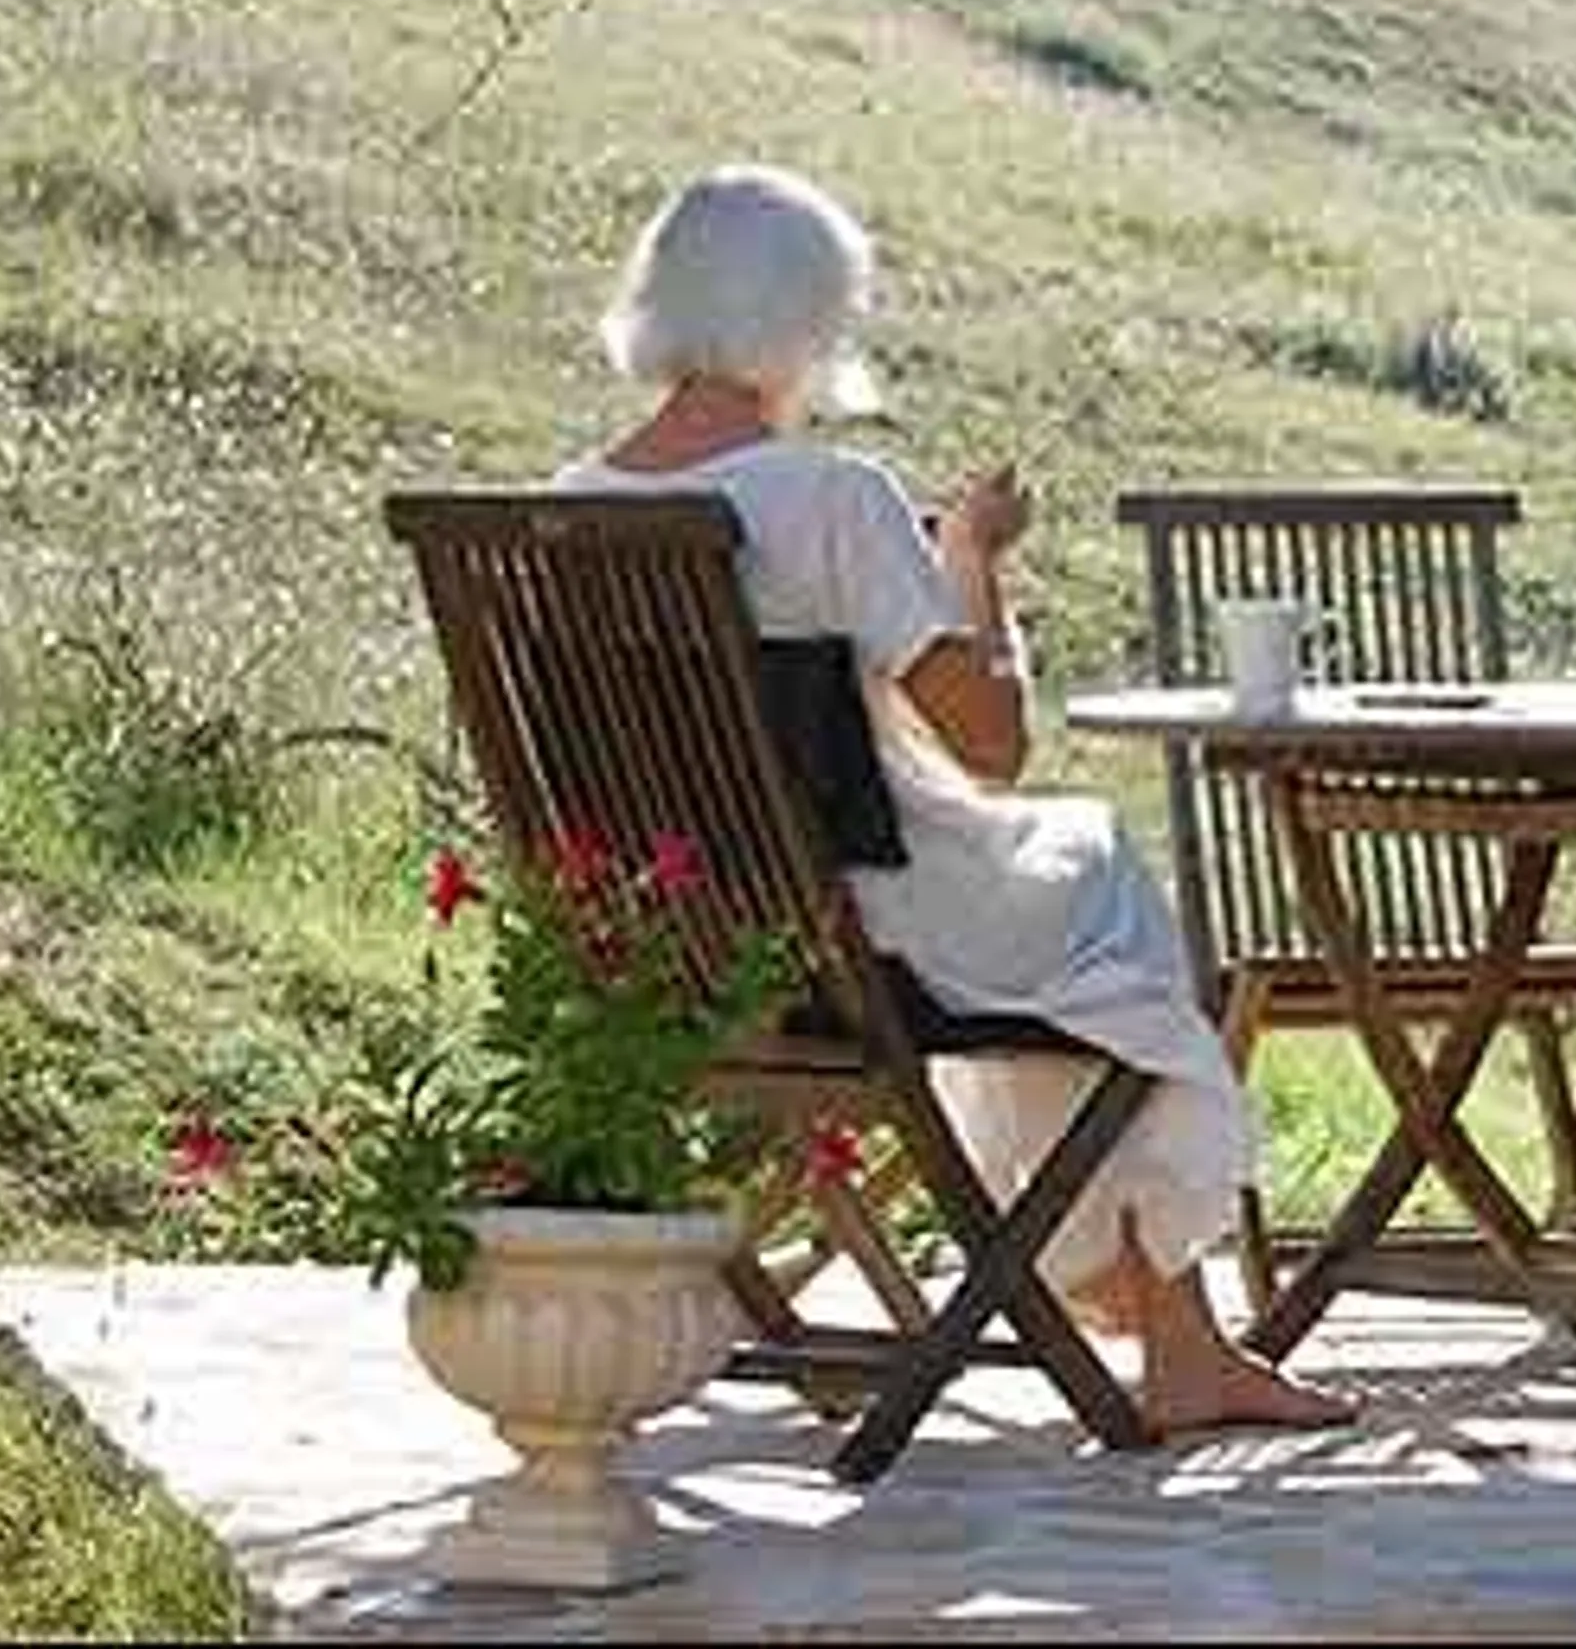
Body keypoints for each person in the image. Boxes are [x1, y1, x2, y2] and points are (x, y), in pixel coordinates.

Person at [553, 162, 1351, 1435]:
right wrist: (972, 562)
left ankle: (1114, 1284)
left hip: (673, 945)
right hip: (860, 941)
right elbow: (991, 745)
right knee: (1090, 876)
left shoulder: (565, 510)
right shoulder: (828, 496)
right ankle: (1156, 1314)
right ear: (804, 321)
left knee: (1073, 934)